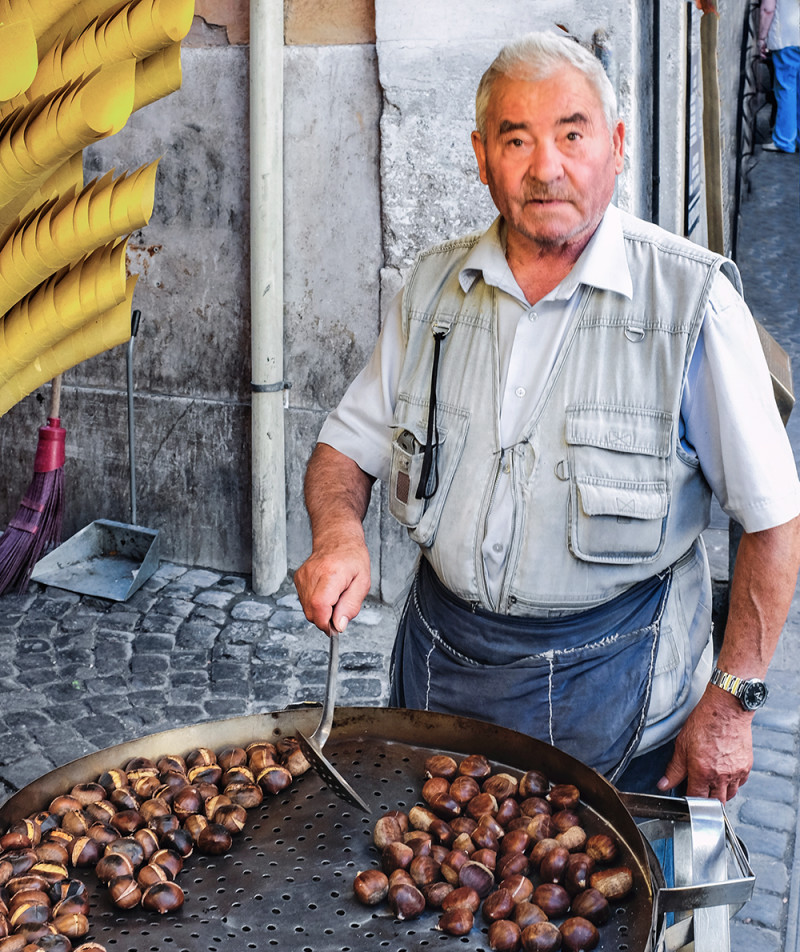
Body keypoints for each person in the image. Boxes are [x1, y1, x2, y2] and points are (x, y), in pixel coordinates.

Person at [294, 32, 800, 803]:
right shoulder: (432, 290)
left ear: (617, 145)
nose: (546, 167)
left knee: (597, 915)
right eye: (516, 139)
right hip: (441, 684)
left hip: (623, 705)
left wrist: (732, 703)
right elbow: (343, 447)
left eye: (571, 134)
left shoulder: (691, 306)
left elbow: (773, 520)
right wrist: (338, 535)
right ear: (480, 154)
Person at [759, 0, 800, 152]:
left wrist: (761, 38)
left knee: (786, 89)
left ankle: (785, 140)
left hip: (787, 36)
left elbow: (768, 9)